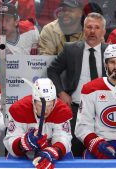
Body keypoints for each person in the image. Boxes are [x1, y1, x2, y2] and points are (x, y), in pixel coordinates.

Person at [47, 12, 107, 156]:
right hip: (75, 110)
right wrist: (61, 92)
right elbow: (52, 70)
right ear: (83, 29)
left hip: (103, 110)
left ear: (104, 31)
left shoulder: (111, 52)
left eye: (97, 28)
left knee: (101, 151)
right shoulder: (70, 49)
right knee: (73, 150)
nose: (92, 31)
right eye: (89, 27)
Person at [3, 78, 73, 169]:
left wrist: (54, 151)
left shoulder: (62, 111)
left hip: (50, 153)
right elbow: (11, 140)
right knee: (13, 157)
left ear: (55, 101)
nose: (46, 110)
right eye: (41, 106)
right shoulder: (19, 109)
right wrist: (22, 143)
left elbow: (63, 138)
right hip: (25, 154)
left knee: (66, 155)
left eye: (50, 105)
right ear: (34, 102)